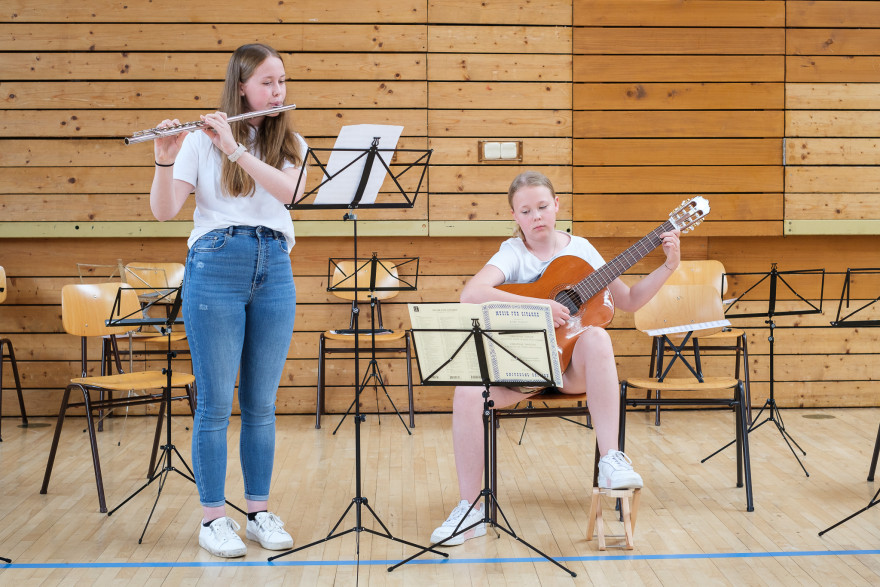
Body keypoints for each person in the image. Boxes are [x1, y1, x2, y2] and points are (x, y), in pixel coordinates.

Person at [430, 170, 681, 546]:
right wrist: (541, 306)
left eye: (542, 207)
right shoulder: (512, 253)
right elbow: (472, 294)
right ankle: (470, 510)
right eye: (526, 211)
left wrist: (668, 267)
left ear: (557, 205)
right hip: (524, 371)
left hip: (570, 370)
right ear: (515, 217)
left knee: (596, 335)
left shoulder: (581, 251)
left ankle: (611, 459)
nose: (536, 217)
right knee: (466, 392)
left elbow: (627, 301)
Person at [149, 43, 307, 558]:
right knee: (217, 402)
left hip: (274, 266)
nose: (277, 91)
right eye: (267, 82)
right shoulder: (200, 141)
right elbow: (165, 211)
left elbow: (289, 195)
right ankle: (214, 518)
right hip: (216, 263)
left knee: (262, 403)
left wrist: (236, 150)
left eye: (281, 81)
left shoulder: (291, 143)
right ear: (241, 86)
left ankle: (258, 512)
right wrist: (164, 158)